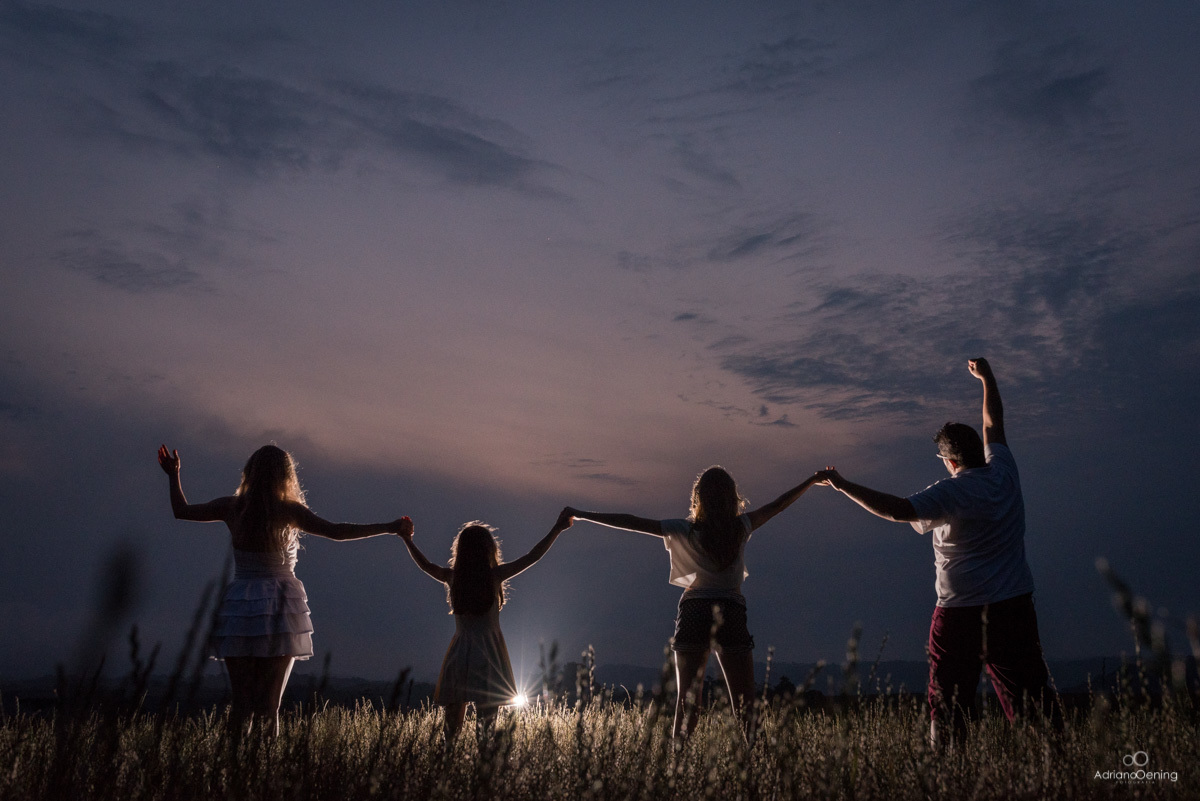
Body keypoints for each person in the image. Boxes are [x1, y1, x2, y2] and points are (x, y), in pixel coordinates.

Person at [815, 358, 1056, 748]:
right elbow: (994, 423)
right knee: (1031, 698)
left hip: (960, 614)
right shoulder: (1005, 471)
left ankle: (947, 771)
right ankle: (1055, 769)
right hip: (1013, 608)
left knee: (946, 702)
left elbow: (896, 509)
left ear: (950, 461)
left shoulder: (951, 491)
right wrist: (988, 378)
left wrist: (842, 485)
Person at [157, 443, 406, 738]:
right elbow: (337, 531)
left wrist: (174, 475)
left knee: (242, 705)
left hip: (240, 605)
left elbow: (181, 511)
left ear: (250, 472)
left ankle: (235, 773)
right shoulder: (287, 511)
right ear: (285, 476)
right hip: (279, 604)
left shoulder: (233, 507)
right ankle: (262, 774)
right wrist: (389, 527)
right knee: (268, 708)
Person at [566, 466, 821, 742]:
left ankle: (678, 766)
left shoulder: (684, 530)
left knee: (688, 703)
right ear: (733, 499)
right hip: (731, 611)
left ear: (699, 499)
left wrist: (581, 514)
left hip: (694, 611)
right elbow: (778, 505)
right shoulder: (741, 528)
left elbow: (631, 522)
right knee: (744, 704)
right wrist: (812, 480)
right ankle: (758, 768)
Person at [399, 510, 574, 748]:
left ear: (460, 551)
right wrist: (557, 529)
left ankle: (444, 773)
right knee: (486, 734)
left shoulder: (453, 578)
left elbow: (426, 565)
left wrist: (407, 539)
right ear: (489, 551)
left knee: (450, 734)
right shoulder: (495, 577)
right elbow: (532, 556)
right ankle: (483, 778)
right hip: (489, 656)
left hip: (459, 655)